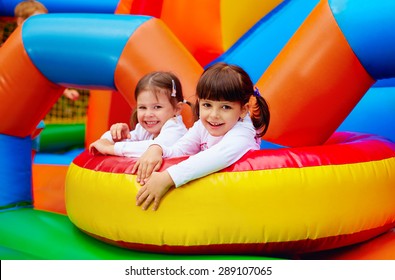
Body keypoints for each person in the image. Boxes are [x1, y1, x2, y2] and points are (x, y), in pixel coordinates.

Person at [132, 62, 270, 210]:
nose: (213, 115)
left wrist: (168, 177)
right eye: (207, 105)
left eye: (225, 107)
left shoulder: (243, 134)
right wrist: (157, 148)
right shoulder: (203, 126)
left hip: (240, 203)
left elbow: (217, 156)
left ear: (244, 110)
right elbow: (181, 149)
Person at [89, 71, 189, 157]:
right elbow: (107, 144)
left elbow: (154, 148)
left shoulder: (176, 129)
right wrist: (115, 136)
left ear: (177, 108)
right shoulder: (144, 129)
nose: (148, 114)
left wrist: (112, 148)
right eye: (142, 107)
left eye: (157, 107)